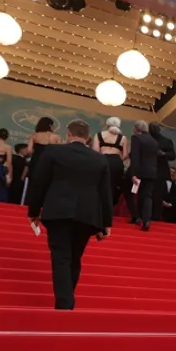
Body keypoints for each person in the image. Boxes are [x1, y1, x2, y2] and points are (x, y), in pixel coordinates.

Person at [25, 120, 112, 310]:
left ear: (68, 133)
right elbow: (105, 193)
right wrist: (106, 223)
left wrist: (33, 211)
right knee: (74, 257)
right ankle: (67, 299)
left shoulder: (53, 152)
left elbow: (39, 183)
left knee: (61, 257)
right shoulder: (99, 159)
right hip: (88, 215)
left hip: (58, 211)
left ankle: (65, 303)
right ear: (88, 137)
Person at [128, 120, 159, 232]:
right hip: (152, 172)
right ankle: (146, 220)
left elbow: (135, 157)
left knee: (138, 195)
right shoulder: (154, 141)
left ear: (136, 129)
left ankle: (139, 218)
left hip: (140, 171)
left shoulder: (136, 138)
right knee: (147, 196)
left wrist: (134, 174)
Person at [91, 123, 127, 207]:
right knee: (113, 187)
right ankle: (110, 208)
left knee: (100, 185)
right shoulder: (123, 138)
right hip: (116, 163)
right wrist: (117, 160)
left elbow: (95, 151)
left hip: (102, 160)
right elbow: (125, 155)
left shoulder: (99, 135)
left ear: (107, 125)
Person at [148, 122, 176, 222]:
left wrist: (163, 154)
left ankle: (155, 217)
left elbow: (173, 155)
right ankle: (145, 215)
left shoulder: (166, 141)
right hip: (146, 169)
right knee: (146, 194)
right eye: (151, 128)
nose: (153, 129)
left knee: (158, 195)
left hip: (160, 171)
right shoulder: (145, 139)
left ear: (159, 129)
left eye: (155, 128)